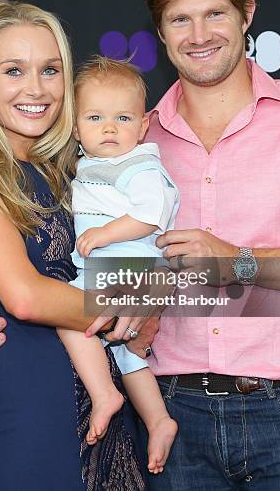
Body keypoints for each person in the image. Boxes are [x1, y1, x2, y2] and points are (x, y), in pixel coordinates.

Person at [0, 0, 280, 490]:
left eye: (215, 13)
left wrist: (240, 262)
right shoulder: (122, 139)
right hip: (170, 415)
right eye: (179, 19)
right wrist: (18, 326)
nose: (199, 34)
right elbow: (95, 275)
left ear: (247, 13)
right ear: (161, 33)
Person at [0, 0, 147, 491]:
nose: (36, 88)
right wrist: (130, 306)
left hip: (115, 405)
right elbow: (26, 297)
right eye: (14, 70)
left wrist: (150, 300)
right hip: (42, 411)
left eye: (50, 70)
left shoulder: (76, 171)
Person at [58, 56, 178, 473]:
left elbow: (151, 214)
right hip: (116, 269)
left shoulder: (137, 165)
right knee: (129, 352)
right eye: (95, 117)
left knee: (63, 309)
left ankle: (103, 393)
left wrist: (103, 235)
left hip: (128, 263)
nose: (109, 128)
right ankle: (158, 420)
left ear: (143, 126)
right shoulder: (91, 164)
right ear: (76, 128)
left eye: (122, 117)